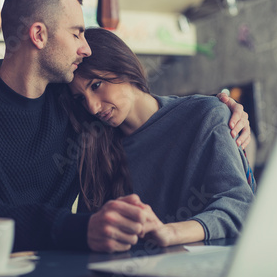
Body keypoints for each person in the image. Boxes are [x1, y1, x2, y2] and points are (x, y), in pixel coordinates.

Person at [0, 0, 251, 257]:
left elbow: (144, 112)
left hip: (50, 272)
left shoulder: (73, 104)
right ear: (38, 35)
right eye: (76, 32)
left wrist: (218, 109)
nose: (86, 47)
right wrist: (80, 228)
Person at [65, 27, 256, 248]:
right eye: (80, 99)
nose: (92, 106)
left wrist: (170, 233)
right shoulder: (95, 149)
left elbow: (242, 206)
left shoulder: (206, 115)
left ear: (123, 66)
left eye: (96, 85)